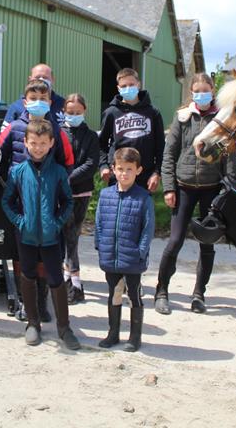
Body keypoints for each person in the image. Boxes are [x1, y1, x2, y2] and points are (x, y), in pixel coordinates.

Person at [156, 73, 236, 315]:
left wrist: (227, 190)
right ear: (191, 93)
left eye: (206, 90)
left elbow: (230, 157)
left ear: (213, 91)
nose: (202, 95)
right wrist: (169, 188)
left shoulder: (222, 119)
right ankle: (162, 291)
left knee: (207, 243)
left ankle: (199, 294)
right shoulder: (183, 118)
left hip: (211, 190)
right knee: (175, 241)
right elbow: (169, 155)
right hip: (184, 188)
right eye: (197, 91)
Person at [0, 80, 74, 321]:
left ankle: (42, 303)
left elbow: (67, 163)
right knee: (22, 257)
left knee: (48, 259)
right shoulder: (14, 128)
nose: (38, 102)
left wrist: (55, 188)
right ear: (24, 101)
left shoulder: (57, 131)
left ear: (50, 102)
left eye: (43, 98)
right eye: (33, 98)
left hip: (48, 205)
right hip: (22, 205)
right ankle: (25, 303)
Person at [2, 119, 80, 350]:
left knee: (55, 279)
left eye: (43, 143)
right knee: (27, 275)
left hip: (51, 237)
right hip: (25, 236)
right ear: (26, 142)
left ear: (51, 143)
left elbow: (68, 202)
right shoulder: (17, 172)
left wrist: (56, 223)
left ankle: (64, 328)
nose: (38, 148)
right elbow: (7, 201)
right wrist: (20, 221)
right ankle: (33, 323)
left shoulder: (58, 172)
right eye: (34, 143)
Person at [95, 147, 155, 352]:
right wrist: (100, 246)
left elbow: (148, 228)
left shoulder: (143, 197)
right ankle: (113, 333)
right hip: (110, 257)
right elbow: (99, 223)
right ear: (113, 169)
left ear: (138, 170)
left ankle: (135, 337)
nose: (124, 173)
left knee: (134, 296)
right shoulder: (105, 195)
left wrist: (141, 251)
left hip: (132, 259)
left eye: (129, 169)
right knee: (114, 294)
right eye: (120, 169)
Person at [98, 68, 164, 192]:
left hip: (144, 175)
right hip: (118, 175)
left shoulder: (152, 112)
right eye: (124, 86)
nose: (128, 88)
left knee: (142, 204)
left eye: (131, 84)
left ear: (138, 85)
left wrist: (157, 172)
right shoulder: (111, 112)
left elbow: (160, 146)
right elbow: (101, 144)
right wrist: (103, 166)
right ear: (118, 88)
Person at [62, 93, 99, 304]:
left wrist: (69, 178)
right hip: (61, 193)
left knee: (73, 234)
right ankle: (68, 278)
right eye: (70, 112)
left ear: (84, 111)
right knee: (64, 234)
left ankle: (73, 280)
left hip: (81, 191)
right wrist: (61, 181)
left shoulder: (91, 136)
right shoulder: (58, 132)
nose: (74, 115)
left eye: (77, 112)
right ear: (64, 111)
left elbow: (91, 163)